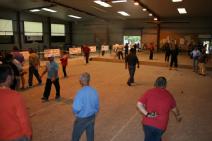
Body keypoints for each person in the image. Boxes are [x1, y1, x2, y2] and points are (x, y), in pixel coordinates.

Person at [137, 76, 182, 141]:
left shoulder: (149, 92)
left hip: (147, 124)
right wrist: (178, 116)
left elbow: (139, 104)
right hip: (161, 126)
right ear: (165, 85)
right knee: (156, 137)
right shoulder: (169, 95)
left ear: (155, 83)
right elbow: (175, 109)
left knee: (151, 137)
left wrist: (147, 114)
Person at [0, 64, 32, 141]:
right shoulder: (14, 96)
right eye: (12, 74)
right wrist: (28, 134)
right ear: (8, 77)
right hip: (17, 135)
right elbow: (23, 119)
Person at [72, 72, 99, 141]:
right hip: (92, 117)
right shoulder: (94, 91)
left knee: (75, 137)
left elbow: (76, 108)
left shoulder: (80, 93)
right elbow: (96, 106)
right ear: (88, 80)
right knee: (90, 136)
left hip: (82, 119)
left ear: (81, 81)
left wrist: (76, 113)